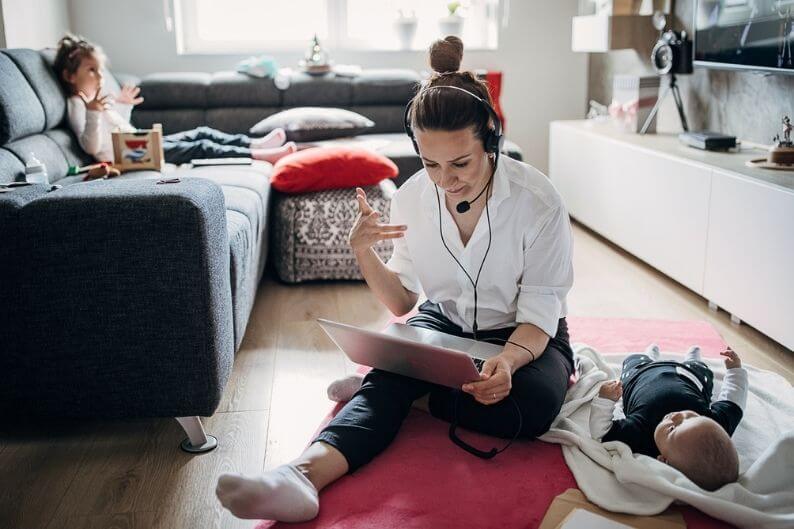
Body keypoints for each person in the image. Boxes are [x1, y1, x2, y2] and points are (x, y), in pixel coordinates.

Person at [215, 35, 575, 522]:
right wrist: (364, 253)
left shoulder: (539, 201)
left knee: (535, 406)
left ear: (491, 137)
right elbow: (404, 302)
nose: (445, 180)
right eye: (430, 164)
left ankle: (397, 388)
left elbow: (538, 313)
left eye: (461, 163)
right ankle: (299, 475)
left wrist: (508, 362)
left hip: (522, 334)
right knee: (396, 364)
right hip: (444, 322)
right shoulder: (411, 197)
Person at [53, 34, 297, 167]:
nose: (99, 76)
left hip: (137, 144)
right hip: (129, 156)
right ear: (69, 75)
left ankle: (254, 145)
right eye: (91, 70)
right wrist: (94, 113)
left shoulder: (95, 101)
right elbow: (92, 147)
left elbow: (120, 130)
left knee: (202, 132)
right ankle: (258, 156)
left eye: (100, 70)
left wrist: (123, 106)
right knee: (201, 147)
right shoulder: (77, 106)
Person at [589, 345, 748, 491]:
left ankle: (649, 354)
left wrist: (605, 400)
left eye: (672, 429)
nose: (678, 415)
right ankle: (694, 358)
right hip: (689, 374)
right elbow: (734, 400)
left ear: (663, 461)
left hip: (639, 374)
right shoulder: (714, 425)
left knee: (632, 359)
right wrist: (735, 370)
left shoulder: (640, 436)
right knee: (701, 369)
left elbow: (601, 432)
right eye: (691, 418)